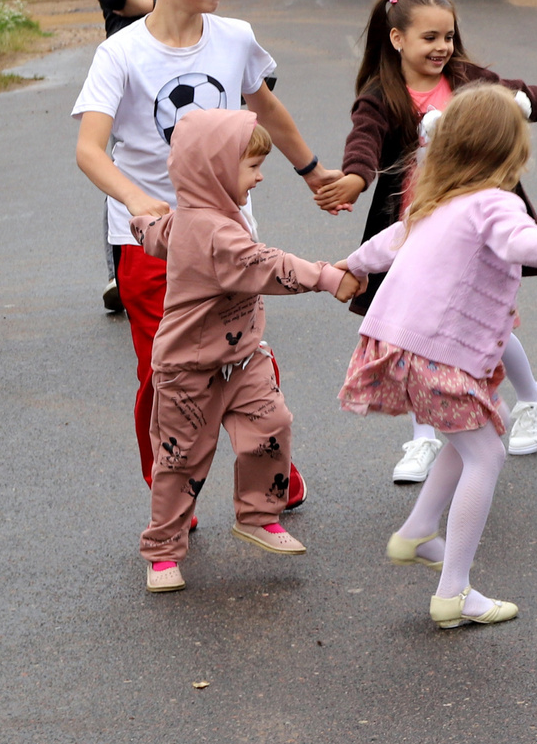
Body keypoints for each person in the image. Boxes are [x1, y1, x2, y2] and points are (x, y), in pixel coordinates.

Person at [72, 0, 342, 492]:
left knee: (247, 358)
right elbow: (91, 151)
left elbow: (266, 110)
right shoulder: (120, 54)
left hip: (230, 237)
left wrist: (312, 171)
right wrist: (140, 202)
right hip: (150, 245)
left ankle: (274, 477)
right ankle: (171, 494)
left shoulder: (235, 37)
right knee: (164, 374)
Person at [336, 87, 537, 629]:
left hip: (401, 348)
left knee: (471, 439)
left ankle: (419, 529)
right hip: (439, 353)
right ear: (513, 150)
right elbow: (519, 242)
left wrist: (351, 266)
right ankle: (453, 593)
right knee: (487, 456)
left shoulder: (437, 202)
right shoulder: (495, 202)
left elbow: (385, 242)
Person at [325, 0, 537, 479]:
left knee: (492, 320)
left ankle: (534, 398)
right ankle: (423, 437)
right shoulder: (381, 97)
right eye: (429, 37)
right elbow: (363, 144)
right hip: (416, 226)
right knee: (418, 327)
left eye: (448, 36)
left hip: (475, 228)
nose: (442, 46)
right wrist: (353, 179)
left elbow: (531, 98)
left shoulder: (469, 80)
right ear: (397, 38)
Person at [130, 109, 365, 592]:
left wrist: (141, 226)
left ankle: (257, 516)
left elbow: (160, 234)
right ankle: (162, 551)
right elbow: (264, 264)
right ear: (212, 169)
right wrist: (325, 276)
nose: (259, 176)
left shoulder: (204, 217)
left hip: (243, 361)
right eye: (251, 166)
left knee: (271, 426)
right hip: (188, 371)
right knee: (180, 461)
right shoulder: (215, 231)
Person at [90, 0, 159, 314]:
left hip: (173, 69)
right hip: (126, 73)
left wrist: (143, 4)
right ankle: (119, 272)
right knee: (121, 167)